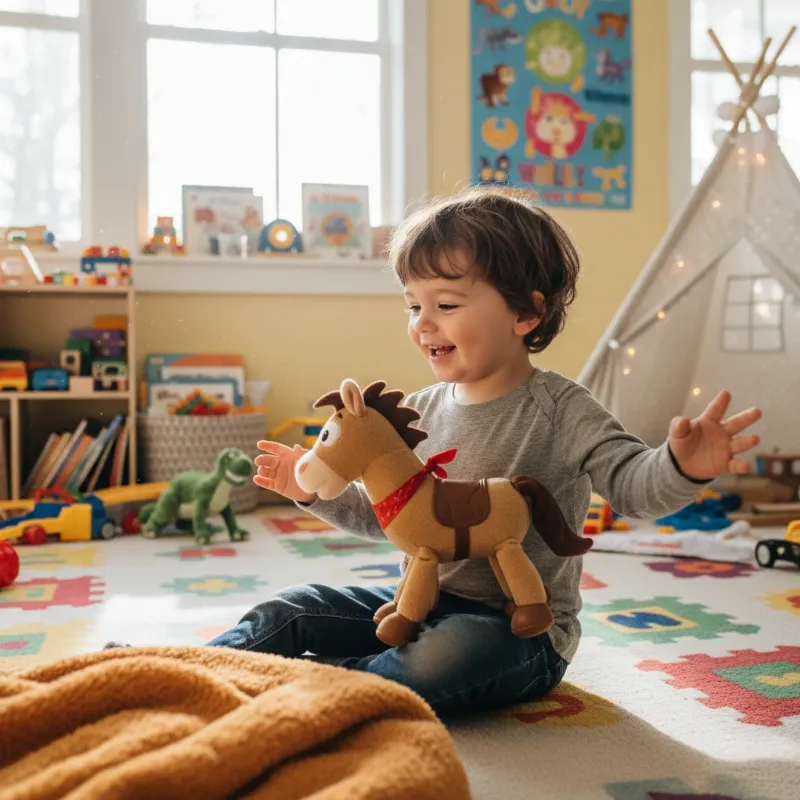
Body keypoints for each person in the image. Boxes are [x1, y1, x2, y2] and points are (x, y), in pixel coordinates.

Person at [142, 190, 766, 717]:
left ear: (526, 312)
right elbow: (382, 516)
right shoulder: (418, 411)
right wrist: (306, 490)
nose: (422, 323)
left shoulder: (562, 409)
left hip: (517, 630)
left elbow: (631, 486)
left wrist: (681, 466)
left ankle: (319, 690)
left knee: (446, 657)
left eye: (445, 305)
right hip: (416, 606)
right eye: (414, 305)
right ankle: (184, 672)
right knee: (295, 606)